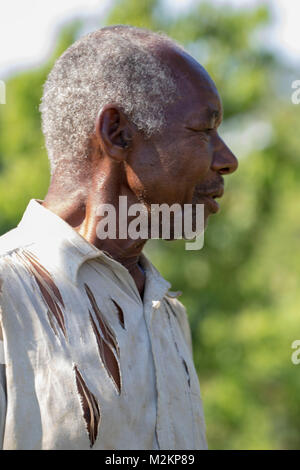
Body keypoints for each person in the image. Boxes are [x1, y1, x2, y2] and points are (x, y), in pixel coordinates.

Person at [0, 25, 238, 450]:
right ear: (118, 133)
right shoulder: (8, 295)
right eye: (204, 131)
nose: (228, 160)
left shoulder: (167, 312)